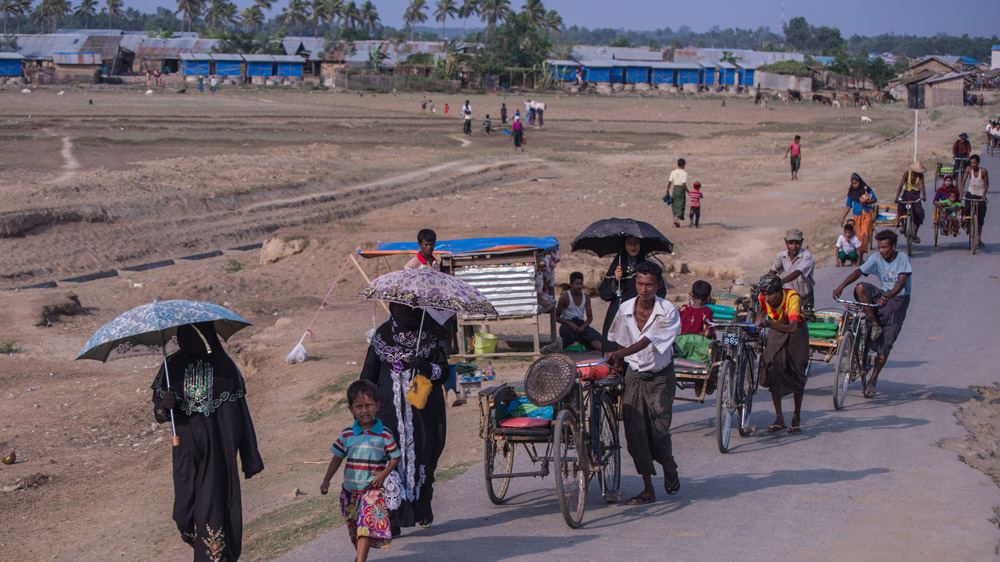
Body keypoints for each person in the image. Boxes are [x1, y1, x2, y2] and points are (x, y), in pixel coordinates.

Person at [152, 323, 264, 562]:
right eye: (181, 334)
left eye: (193, 333)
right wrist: (165, 405)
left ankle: (216, 555)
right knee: (184, 507)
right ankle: (200, 542)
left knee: (212, 502)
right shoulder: (171, 367)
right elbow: (159, 411)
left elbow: (241, 413)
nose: (186, 338)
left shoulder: (223, 365)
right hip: (186, 451)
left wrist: (249, 457)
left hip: (218, 449)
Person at [360, 303, 449, 532]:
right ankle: (393, 519)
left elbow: (444, 372)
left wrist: (424, 365)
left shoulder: (428, 335)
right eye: (400, 308)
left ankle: (423, 509)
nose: (404, 313)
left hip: (423, 417)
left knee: (422, 462)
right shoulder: (382, 337)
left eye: (409, 309)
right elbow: (368, 376)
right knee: (389, 464)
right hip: (387, 416)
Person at [605, 261, 682, 505]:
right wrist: (618, 366)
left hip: (661, 375)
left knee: (659, 430)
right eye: (639, 284)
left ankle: (669, 466)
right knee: (635, 432)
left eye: (649, 285)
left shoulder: (667, 311)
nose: (644, 289)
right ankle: (648, 488)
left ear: (658, 285)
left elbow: (647, 340)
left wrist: (619, 353)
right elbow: (620, 337)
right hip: (634, 374)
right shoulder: (625, 308)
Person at [321, 380, 401, 562]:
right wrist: (326, 480)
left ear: (377, 406)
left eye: (368, 405)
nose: (364, 410)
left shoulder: (384, 434)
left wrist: (383, 474)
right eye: (359, 407)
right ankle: (360, 555)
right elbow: (337, 458)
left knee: (365, 528)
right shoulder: (347, 434)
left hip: (372, 490)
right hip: (350, 492)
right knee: (355, 529)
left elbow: (396, 457)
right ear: (351, 410)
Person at [832, 230, 912, 398]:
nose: (881, 251)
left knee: (886, 344)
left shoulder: (902, 259)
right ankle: (874, 324)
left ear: (893, 247)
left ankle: (872, 380)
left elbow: (901, 283)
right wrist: (841, 287)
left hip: (898, 299)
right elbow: (858, 272)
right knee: (861, 288)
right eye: (880, 247)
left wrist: (887, 297)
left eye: (884, 247)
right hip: (883, 294)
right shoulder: (876, 258)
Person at [755, 274, 810, 434]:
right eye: (765, 294)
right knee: (772, 368)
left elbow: (793, 327)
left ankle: (796, 417)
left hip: (796, 331)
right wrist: (756, 325)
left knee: (797, 372)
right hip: (776, 328)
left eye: (771, 294)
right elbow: (761, 311)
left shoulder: (792, 298)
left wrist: (768, 324)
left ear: (780, 291)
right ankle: (779, 417)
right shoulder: (762, 297)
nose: (768, 298)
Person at [597, 236, 667, 340]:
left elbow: (661, 292)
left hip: (641, 313)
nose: (633, 247)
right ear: (624, 246)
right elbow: (604, 295)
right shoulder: (617, 267)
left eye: (636, 243)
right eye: (629, 243)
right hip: (618, 312)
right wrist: (616, 280)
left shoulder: (648, 268)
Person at [768, 227, 815, 312]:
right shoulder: (781, 256)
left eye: (797, 243)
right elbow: (773, 270)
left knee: (806, 318)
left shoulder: (807, 256)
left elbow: (798, 272)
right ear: (786, 242)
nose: (794, 246)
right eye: (791, 243)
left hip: (805, 296)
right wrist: (765, 281)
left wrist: (782, 281)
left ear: (801, 242)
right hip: (789, 296)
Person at [556, 271, 603, 352]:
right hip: (568, 325)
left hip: (581, 324)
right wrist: (569, 323)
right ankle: (585, 341)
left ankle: (608, 353)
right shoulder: (565, 297)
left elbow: (589, 318)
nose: (579, 286)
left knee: (597, 338)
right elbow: (556, 317)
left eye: (581, 284)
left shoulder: (586, 297)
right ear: (571, 284)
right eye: (577, 284)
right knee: (565, 331)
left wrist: (583, 327)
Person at [675, 280, 714, 367]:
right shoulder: (706, 311)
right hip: (700, 350)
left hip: (682, 347)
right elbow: (707, 333)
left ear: (691, 294)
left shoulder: (683, 309)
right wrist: (713, 334)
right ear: (708, 297)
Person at [841, 173, 878, 261]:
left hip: (867, 213)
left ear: (860, 182)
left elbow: (875, 199)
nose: (855, 185)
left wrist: (866, 201)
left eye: (856, 183)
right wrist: (843, 217)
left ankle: (861, 254)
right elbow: (848, 205)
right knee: (857, 235)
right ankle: (859, 256)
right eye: (853, 183)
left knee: (864, 233)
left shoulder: (866, 189)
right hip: (857, 215)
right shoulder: (851, 192)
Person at [961, 154, 989, 249]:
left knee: (980, 219)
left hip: (980, 195)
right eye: (971, 163)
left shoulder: (983, 171)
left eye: (974, 163)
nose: (973, 165)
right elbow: (964, 181)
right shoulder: (969, 169)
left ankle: (979, 239)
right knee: (966, 210)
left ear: (978, 163)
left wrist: (984, 194)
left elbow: (986, 184)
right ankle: (967, 223)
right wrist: (961, 193)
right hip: (971, 193)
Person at [894, 161, 926, 243]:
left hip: (916, 195)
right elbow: (901, 185)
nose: (918, 173)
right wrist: (897, 197)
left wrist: (924, 195)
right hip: (906, 195)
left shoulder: (920, 176)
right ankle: (904, 226)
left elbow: (922, 186)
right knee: (900, 208)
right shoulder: (906, 174)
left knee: (919, 212)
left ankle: (915, 233)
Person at [668, 158, 689, 228]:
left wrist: (667, 190)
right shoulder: (685, 173)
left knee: (674, 205)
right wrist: (688, 191)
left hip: (675, 189)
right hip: (681, 190)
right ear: (684, 165)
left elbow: (669, 182)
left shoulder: (673, 172)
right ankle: (677, 219)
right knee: (681, 205)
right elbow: (683, 184)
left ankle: (674, 222)